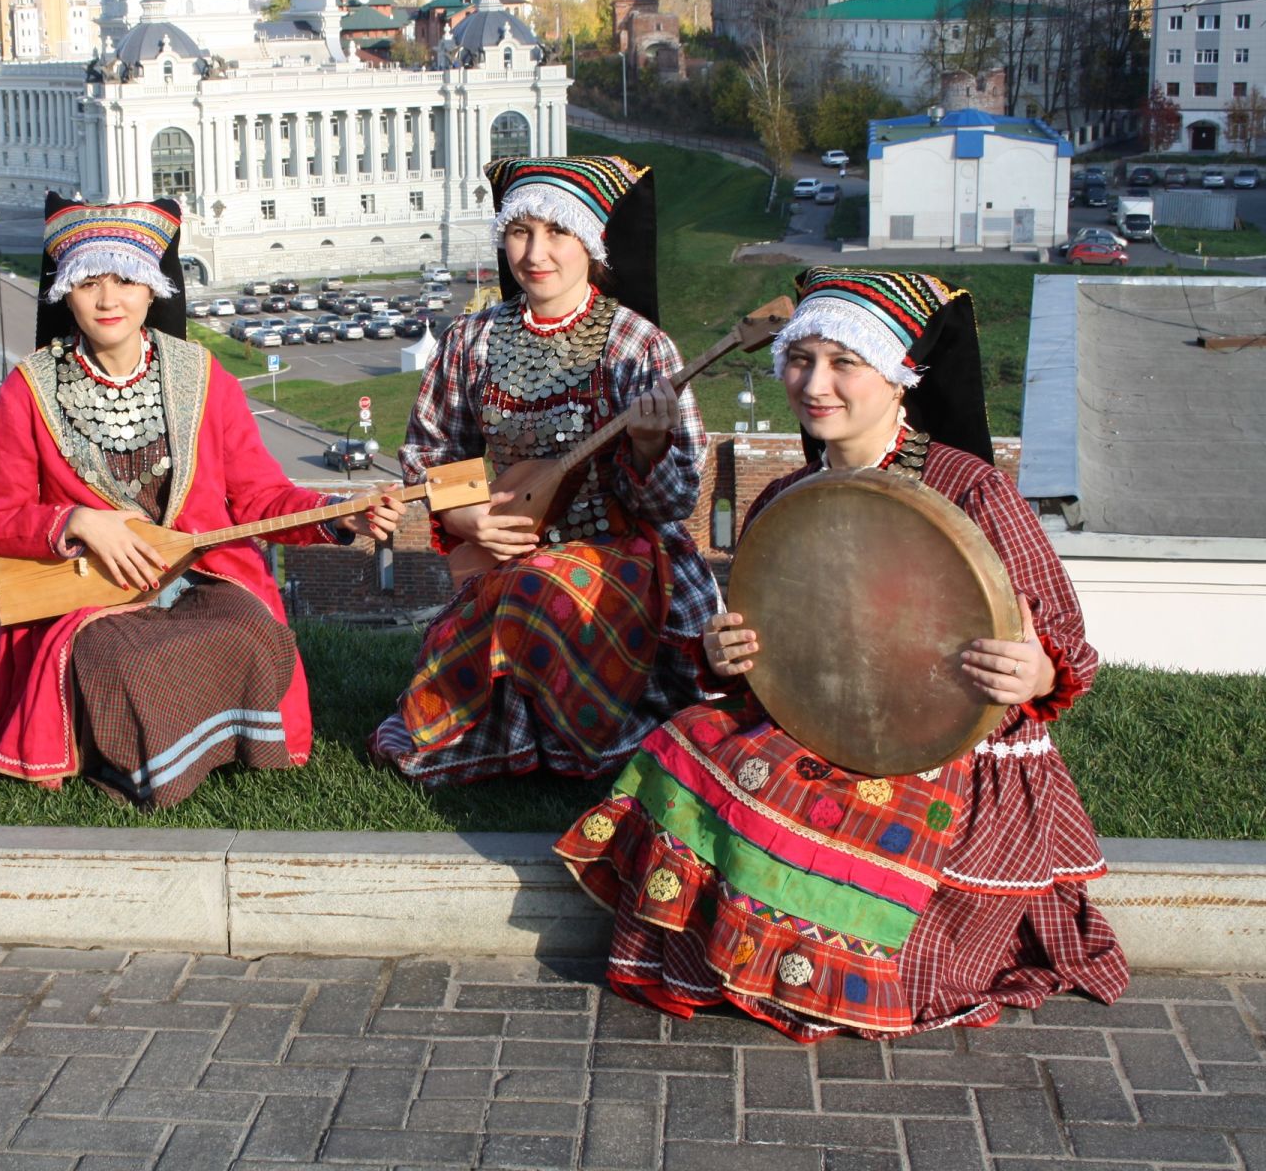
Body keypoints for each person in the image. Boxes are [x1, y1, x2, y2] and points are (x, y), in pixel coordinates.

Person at [555, 267, 1128, 1040]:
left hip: (949, 745)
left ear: (900, 378)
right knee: (682, 743)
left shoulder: (973, 491)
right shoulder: (784, 496)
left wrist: (1040, 670)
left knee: (833, 822)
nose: (814, 383)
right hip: (821, 725)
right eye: (799, 360)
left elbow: (1063, 641)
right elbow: (772, 645)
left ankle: (807, 966)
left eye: (842, 363)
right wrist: (726, 654)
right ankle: (737, 954)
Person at [0, 196, 402, 809]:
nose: (108, 301)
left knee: (250, 633)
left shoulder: (201, 375)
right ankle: (134, 764)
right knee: (118, 657)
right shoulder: (29, 387)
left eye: (127, 280)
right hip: (92, 595)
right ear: (64, 291)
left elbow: (256, 494)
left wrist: (337, 513)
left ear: (153, 288)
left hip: (200, 578)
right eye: (88, 281)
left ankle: (189, 748)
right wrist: (79, 521)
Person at [370, 155, 717, 786]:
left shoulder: (638, 346)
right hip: (502, 547)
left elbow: (677, 500)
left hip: (621, 555)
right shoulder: (470, 339)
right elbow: (428, 449)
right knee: (515, 591)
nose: (536, 253)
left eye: (557, 233)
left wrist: (645, 450)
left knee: (532, 593)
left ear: (592, 244)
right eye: (520, 232)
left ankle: (583, 738)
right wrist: (463, 513)